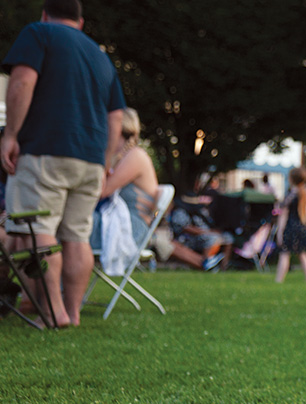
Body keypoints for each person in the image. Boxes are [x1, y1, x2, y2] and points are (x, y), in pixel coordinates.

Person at [1, 0, 125, 327]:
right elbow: (116, 117)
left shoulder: (39, 33)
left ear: (45, 14)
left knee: (38, 231)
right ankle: (73, 312)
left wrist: (11, 134)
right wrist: (105, 162)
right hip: (91, 159)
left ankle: (54, 312)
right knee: (77, 237)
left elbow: (22, 81)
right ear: (80, 22)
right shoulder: (100, 55)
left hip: (45, 149)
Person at [93, 108, 216, 272]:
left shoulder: (135, 156)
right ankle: (204, 263)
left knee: (72, 224)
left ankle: (203, 263)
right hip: (124, 225)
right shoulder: (122, 157)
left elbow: (102, 191)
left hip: (129, 230)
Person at [274, 166, 306, 283]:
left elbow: (284, 215)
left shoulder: (290, 196)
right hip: (302, 228)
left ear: (291, 179)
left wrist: (280, 232)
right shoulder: (305, 195)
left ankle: (279, 280)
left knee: (284, 254)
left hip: (290, 227)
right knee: (302, 254)